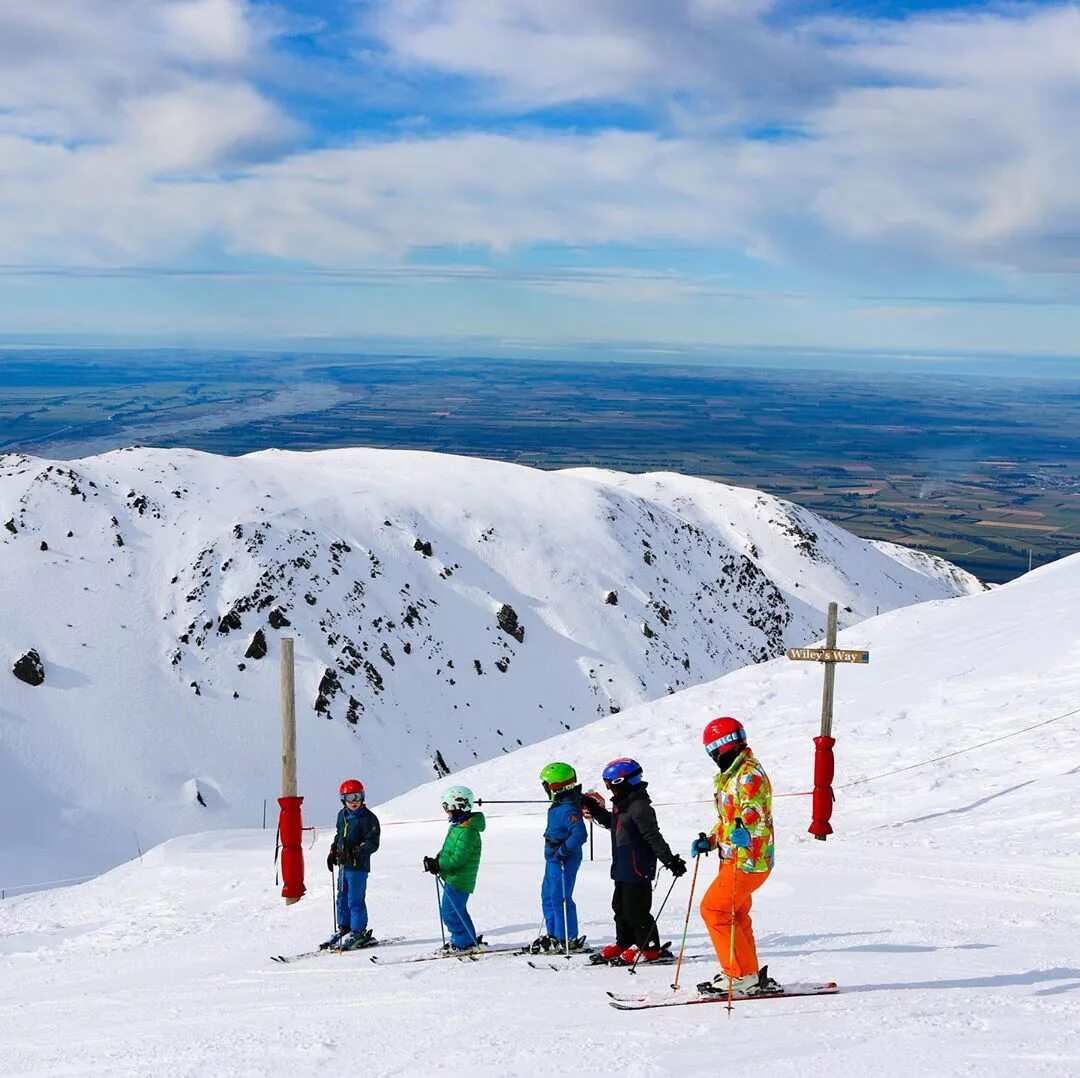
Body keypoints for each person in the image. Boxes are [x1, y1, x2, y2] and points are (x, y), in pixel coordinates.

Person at [690, 717, 781, 997]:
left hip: (749, 859)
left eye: (712, 752)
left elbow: (755, 814)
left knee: (714, 910)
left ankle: (739, 975)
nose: (713, 758)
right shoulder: (732, 774)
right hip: (734, 858)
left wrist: (748, 836)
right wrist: (712, 839)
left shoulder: (749, 775)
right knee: (736, 914)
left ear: (722, 747)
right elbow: (731, 819)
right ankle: (748, 973)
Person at [582, 758, 687, 965]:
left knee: (636, 910)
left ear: (622, 781)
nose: (609, 788)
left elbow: (652, 836)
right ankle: (624, 942)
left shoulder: (639, 806)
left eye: (609, 784)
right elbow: (615, 825)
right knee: (620, 907)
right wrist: (595, 810)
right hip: (622, 867)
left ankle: (650, 948)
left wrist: (670, 860)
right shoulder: (623, 805)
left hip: (637, 867)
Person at [530, 762, 589, 954]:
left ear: (556, 786)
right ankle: (554, 934)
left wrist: (563, 850)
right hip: (553, 859)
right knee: (548, 895)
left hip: (564, 859)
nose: (545, 788)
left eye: (546, 784)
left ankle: (567, 938)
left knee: (561, 897)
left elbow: (580, 835)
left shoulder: (568, 809)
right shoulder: (560, 805)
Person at [423, 785, 486, 952]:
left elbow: (458, 858)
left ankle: (462, 943)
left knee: (450, 913)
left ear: (457, 807)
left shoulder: (467, 831)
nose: (447, 811)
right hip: (454, 877)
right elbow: (449, 850)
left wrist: (439, 865)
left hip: (460, 878)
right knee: (457, 911)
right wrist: (437, 860)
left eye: (447, 807)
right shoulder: (459, 826)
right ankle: (467, 939)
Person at [322, 778, 381, 950]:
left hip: (358, 867)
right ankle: (344, 927)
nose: (354, 801)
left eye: (357, 796)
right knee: (341, 898)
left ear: (362, 797)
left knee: (355, 899)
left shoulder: (368, 818)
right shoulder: (342, 815)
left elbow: (373, 843)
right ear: (343, 799)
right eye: (349, 797)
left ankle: (358, 932)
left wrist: (357, 850)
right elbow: (339, 834)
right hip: (343, 865)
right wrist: (334, 849)